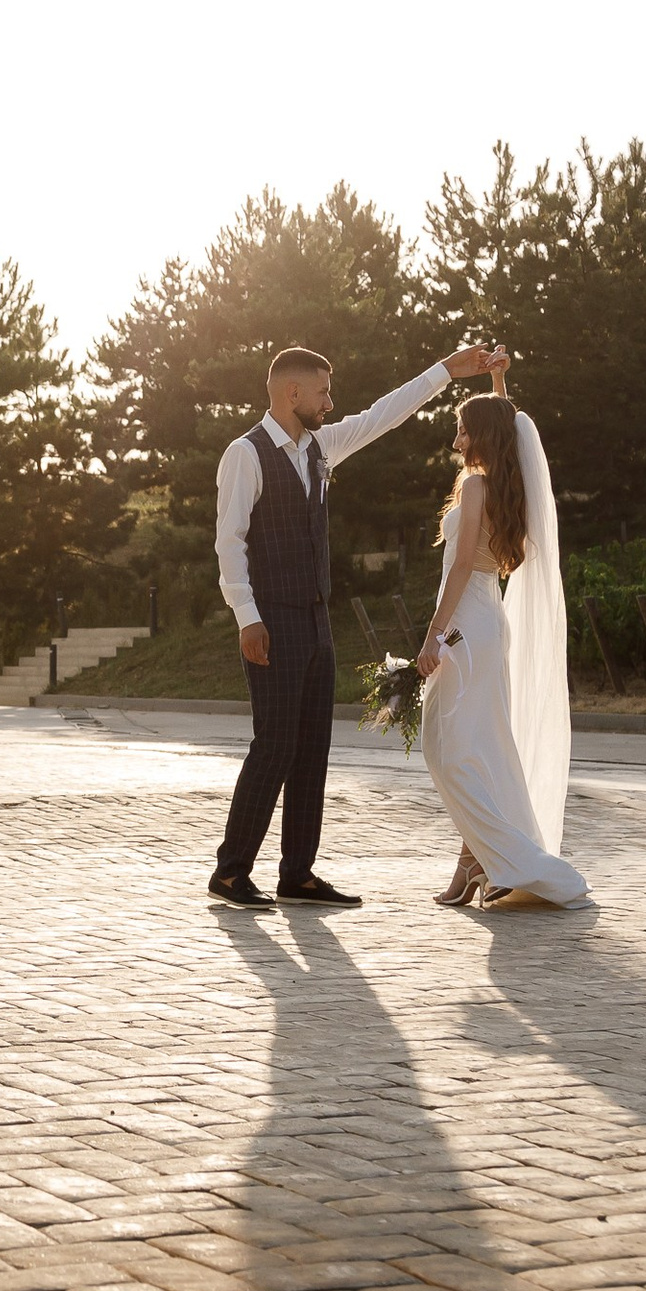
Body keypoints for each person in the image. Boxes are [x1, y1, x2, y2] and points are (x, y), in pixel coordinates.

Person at [210, 341, 509, 908]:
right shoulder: (244, 455)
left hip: (318, 622)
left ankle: (297, 873)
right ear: (290, 392)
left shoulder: (322, 447)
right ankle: (230, 872)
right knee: (273, 745)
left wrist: (448, 370)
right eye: (322, 391)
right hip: (270, 619)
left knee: (312, 748)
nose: (330, 401)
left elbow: (383, 414)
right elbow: (230, 544)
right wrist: (247, 618)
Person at [417, 373, 589, 908]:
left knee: (447, 749)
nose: (455, 443)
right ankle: (475, 859)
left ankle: (504, 858)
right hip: (489, 624)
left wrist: (433, 636)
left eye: (463, 432)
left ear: (481, 436)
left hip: (467, 625)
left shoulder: (474, 487)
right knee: (480, 747)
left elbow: (463, 563)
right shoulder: (507, 488)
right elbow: (505, 418)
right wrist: (497, 381)